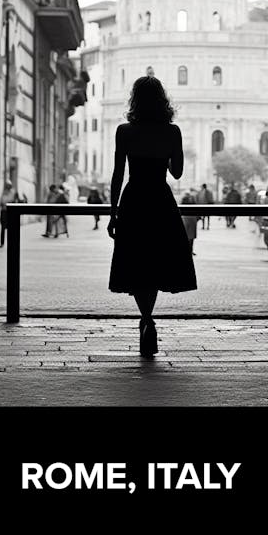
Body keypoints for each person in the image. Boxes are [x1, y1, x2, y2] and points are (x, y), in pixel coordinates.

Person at [107, 75, 196, 359]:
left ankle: (146, 317)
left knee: (136, 262)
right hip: (160, 199)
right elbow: (178, 172)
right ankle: (148, 318)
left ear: (135, 100)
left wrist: (112, 213)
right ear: (162, 100)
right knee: (157, 261)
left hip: (133, 200)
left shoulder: (125, 131)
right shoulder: (172, 132)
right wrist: (167, 153)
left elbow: (118, 175)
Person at [0, 180, 18, 248]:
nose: (7, 187)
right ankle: (2, 243)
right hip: (4, 211)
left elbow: (14, 201)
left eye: (8, 186)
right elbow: (1, 202)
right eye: (7, 186)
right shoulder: (4, 192)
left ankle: (11, 243)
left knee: (11, 228)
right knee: (3, 228)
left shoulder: (13, 192)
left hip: (10, 212)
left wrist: (8, 202)